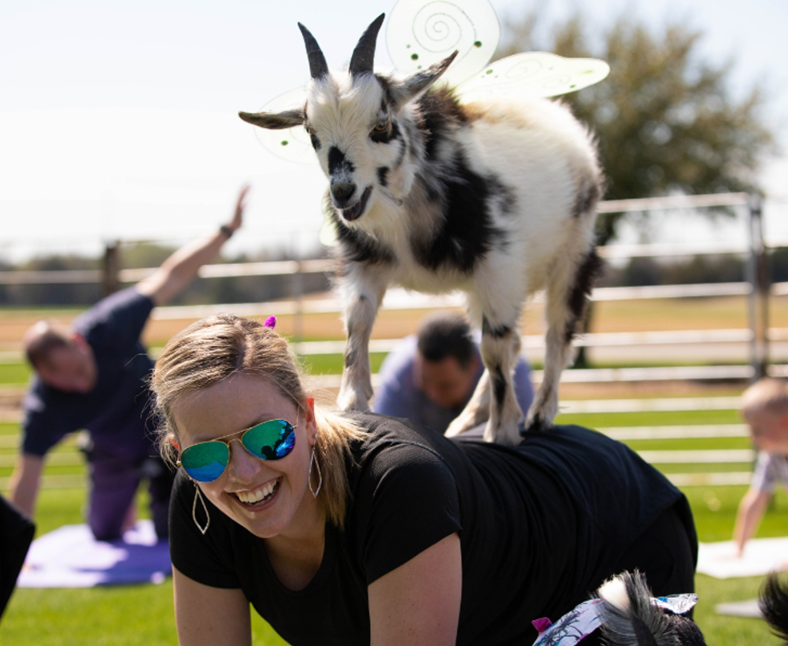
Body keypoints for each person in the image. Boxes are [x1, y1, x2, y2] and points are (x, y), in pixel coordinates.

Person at [150, 313, 698, 646]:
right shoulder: (200, 504)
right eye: (205, 457)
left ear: (309, 419)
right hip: (497, 599)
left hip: (604, 524)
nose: (243, 472)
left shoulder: (397, 483)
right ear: (179, 455)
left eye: (268, 437)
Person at [7, 186, 249, 542]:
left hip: (164, 431)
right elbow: (27, 476)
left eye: (77, 369)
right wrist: (12, 547)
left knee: (179, 530)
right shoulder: (44, 406)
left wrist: (227, 230)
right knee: (104, 533)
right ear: (43, 378)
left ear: (78, 341)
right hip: (110, 449)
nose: (78, 383)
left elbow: (172, 275)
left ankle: (162, 488)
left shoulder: (109, 326)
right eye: (63, 382)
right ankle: (120, 497)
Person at [373, 311, 535, 435]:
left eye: (445, 386)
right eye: (424, 381)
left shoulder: (508, 370)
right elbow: (390, 445)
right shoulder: (399, 375)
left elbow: (524, 439)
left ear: (473, 366)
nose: (433, 394)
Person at [732, 377, 788, 557]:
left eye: (757, 430)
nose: (751, 438)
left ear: (785, 423)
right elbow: (755, 500)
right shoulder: (772, 457)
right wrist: (738, 549)